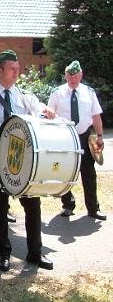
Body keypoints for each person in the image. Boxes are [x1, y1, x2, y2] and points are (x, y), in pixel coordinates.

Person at [0, 49, 54, 271]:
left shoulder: (25, 96)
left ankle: (35, 252)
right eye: (12, 68)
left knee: (33, 203)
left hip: (22, 155)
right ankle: (3, 253)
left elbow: (39, 110)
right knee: (0, 205)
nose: (17, 72)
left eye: (18, 68)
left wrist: (47, 111)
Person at [47, 60, 106, 221]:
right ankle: (68, 205)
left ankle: (93, 209)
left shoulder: (89, 92)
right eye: (70, 76)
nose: (73, 79)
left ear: (81, 75)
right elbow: (49, 114)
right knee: (65, 173)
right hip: (65, 137)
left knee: (89, 173)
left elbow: (96, 116)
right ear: (65, 76)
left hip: (85, 136)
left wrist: (100, 137)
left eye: (76, 76)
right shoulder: (57, 93)